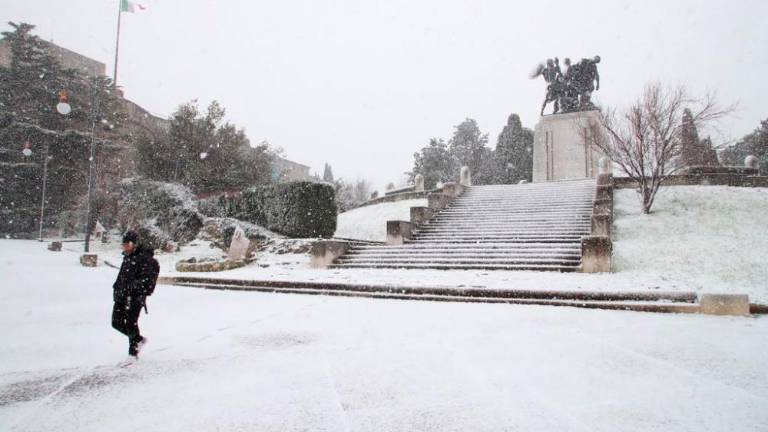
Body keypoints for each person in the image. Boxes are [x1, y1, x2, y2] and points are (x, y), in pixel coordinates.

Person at [112, 231, 159, 360]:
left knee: (131, 322)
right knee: (116, 322)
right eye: (124, 245)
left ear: (135, 244)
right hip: (121, 295)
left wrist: (133, 288)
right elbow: (122, 276)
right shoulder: (127, 258)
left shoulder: (144, 259)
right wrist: (117, 288)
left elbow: (147, 279)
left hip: (135, 296)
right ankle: (137, 339)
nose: (125, 247)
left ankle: (133, 352)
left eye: (128, 244)